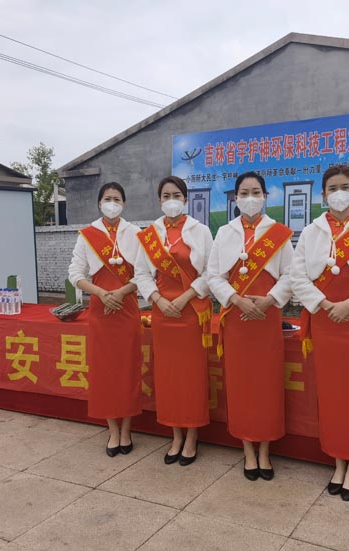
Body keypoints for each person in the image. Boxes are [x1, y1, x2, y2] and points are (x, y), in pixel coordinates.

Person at [290, 164, 349, 501]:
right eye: (332, 188)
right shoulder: (311, 232)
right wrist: (323, 303)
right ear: (323, 195)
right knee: (330, 394)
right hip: (324, 321)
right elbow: (298, 276)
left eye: (344, 187)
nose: (339, 193)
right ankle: (337, 461)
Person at [207, 171, 293, 481]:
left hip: (267, 319)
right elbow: (213, 276)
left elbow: (290, 275)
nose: (250, 198)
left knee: (266, 384)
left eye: (256, 192)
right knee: (241, 384)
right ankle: (247, 450)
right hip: (237, 319)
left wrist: (270, 300)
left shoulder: (278, 233)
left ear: (265, 196)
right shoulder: (224, 233)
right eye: (244, 193)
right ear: (235, 197)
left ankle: (265, 451)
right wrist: (235, 299)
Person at [133, 176, 214, 466]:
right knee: (167, 376)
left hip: (191, 311)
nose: (171, 200)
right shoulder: (150, 234)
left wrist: (185, 297)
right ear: (159, 200)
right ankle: (175, 434)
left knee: (190, 376)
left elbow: (211, 272)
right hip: (162, 312)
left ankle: (192, 434)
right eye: (166, 195)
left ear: (185, 199)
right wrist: (157, 299)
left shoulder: (200, 231)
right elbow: (141, 273)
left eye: (176, 195)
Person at [68, 182, 142, 457]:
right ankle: (112, 430)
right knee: (105, 372)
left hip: (127, 307)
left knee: (128, 369)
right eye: (107, 199)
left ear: (124, 203)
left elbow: (145, 273)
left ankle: (127, 429)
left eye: (117, 199)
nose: (112, 203)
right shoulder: (87, 235)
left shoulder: (135, 233)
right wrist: (100, 293)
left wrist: (120, 293)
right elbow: (75, 273)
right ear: (99, 203)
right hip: (101, 308)